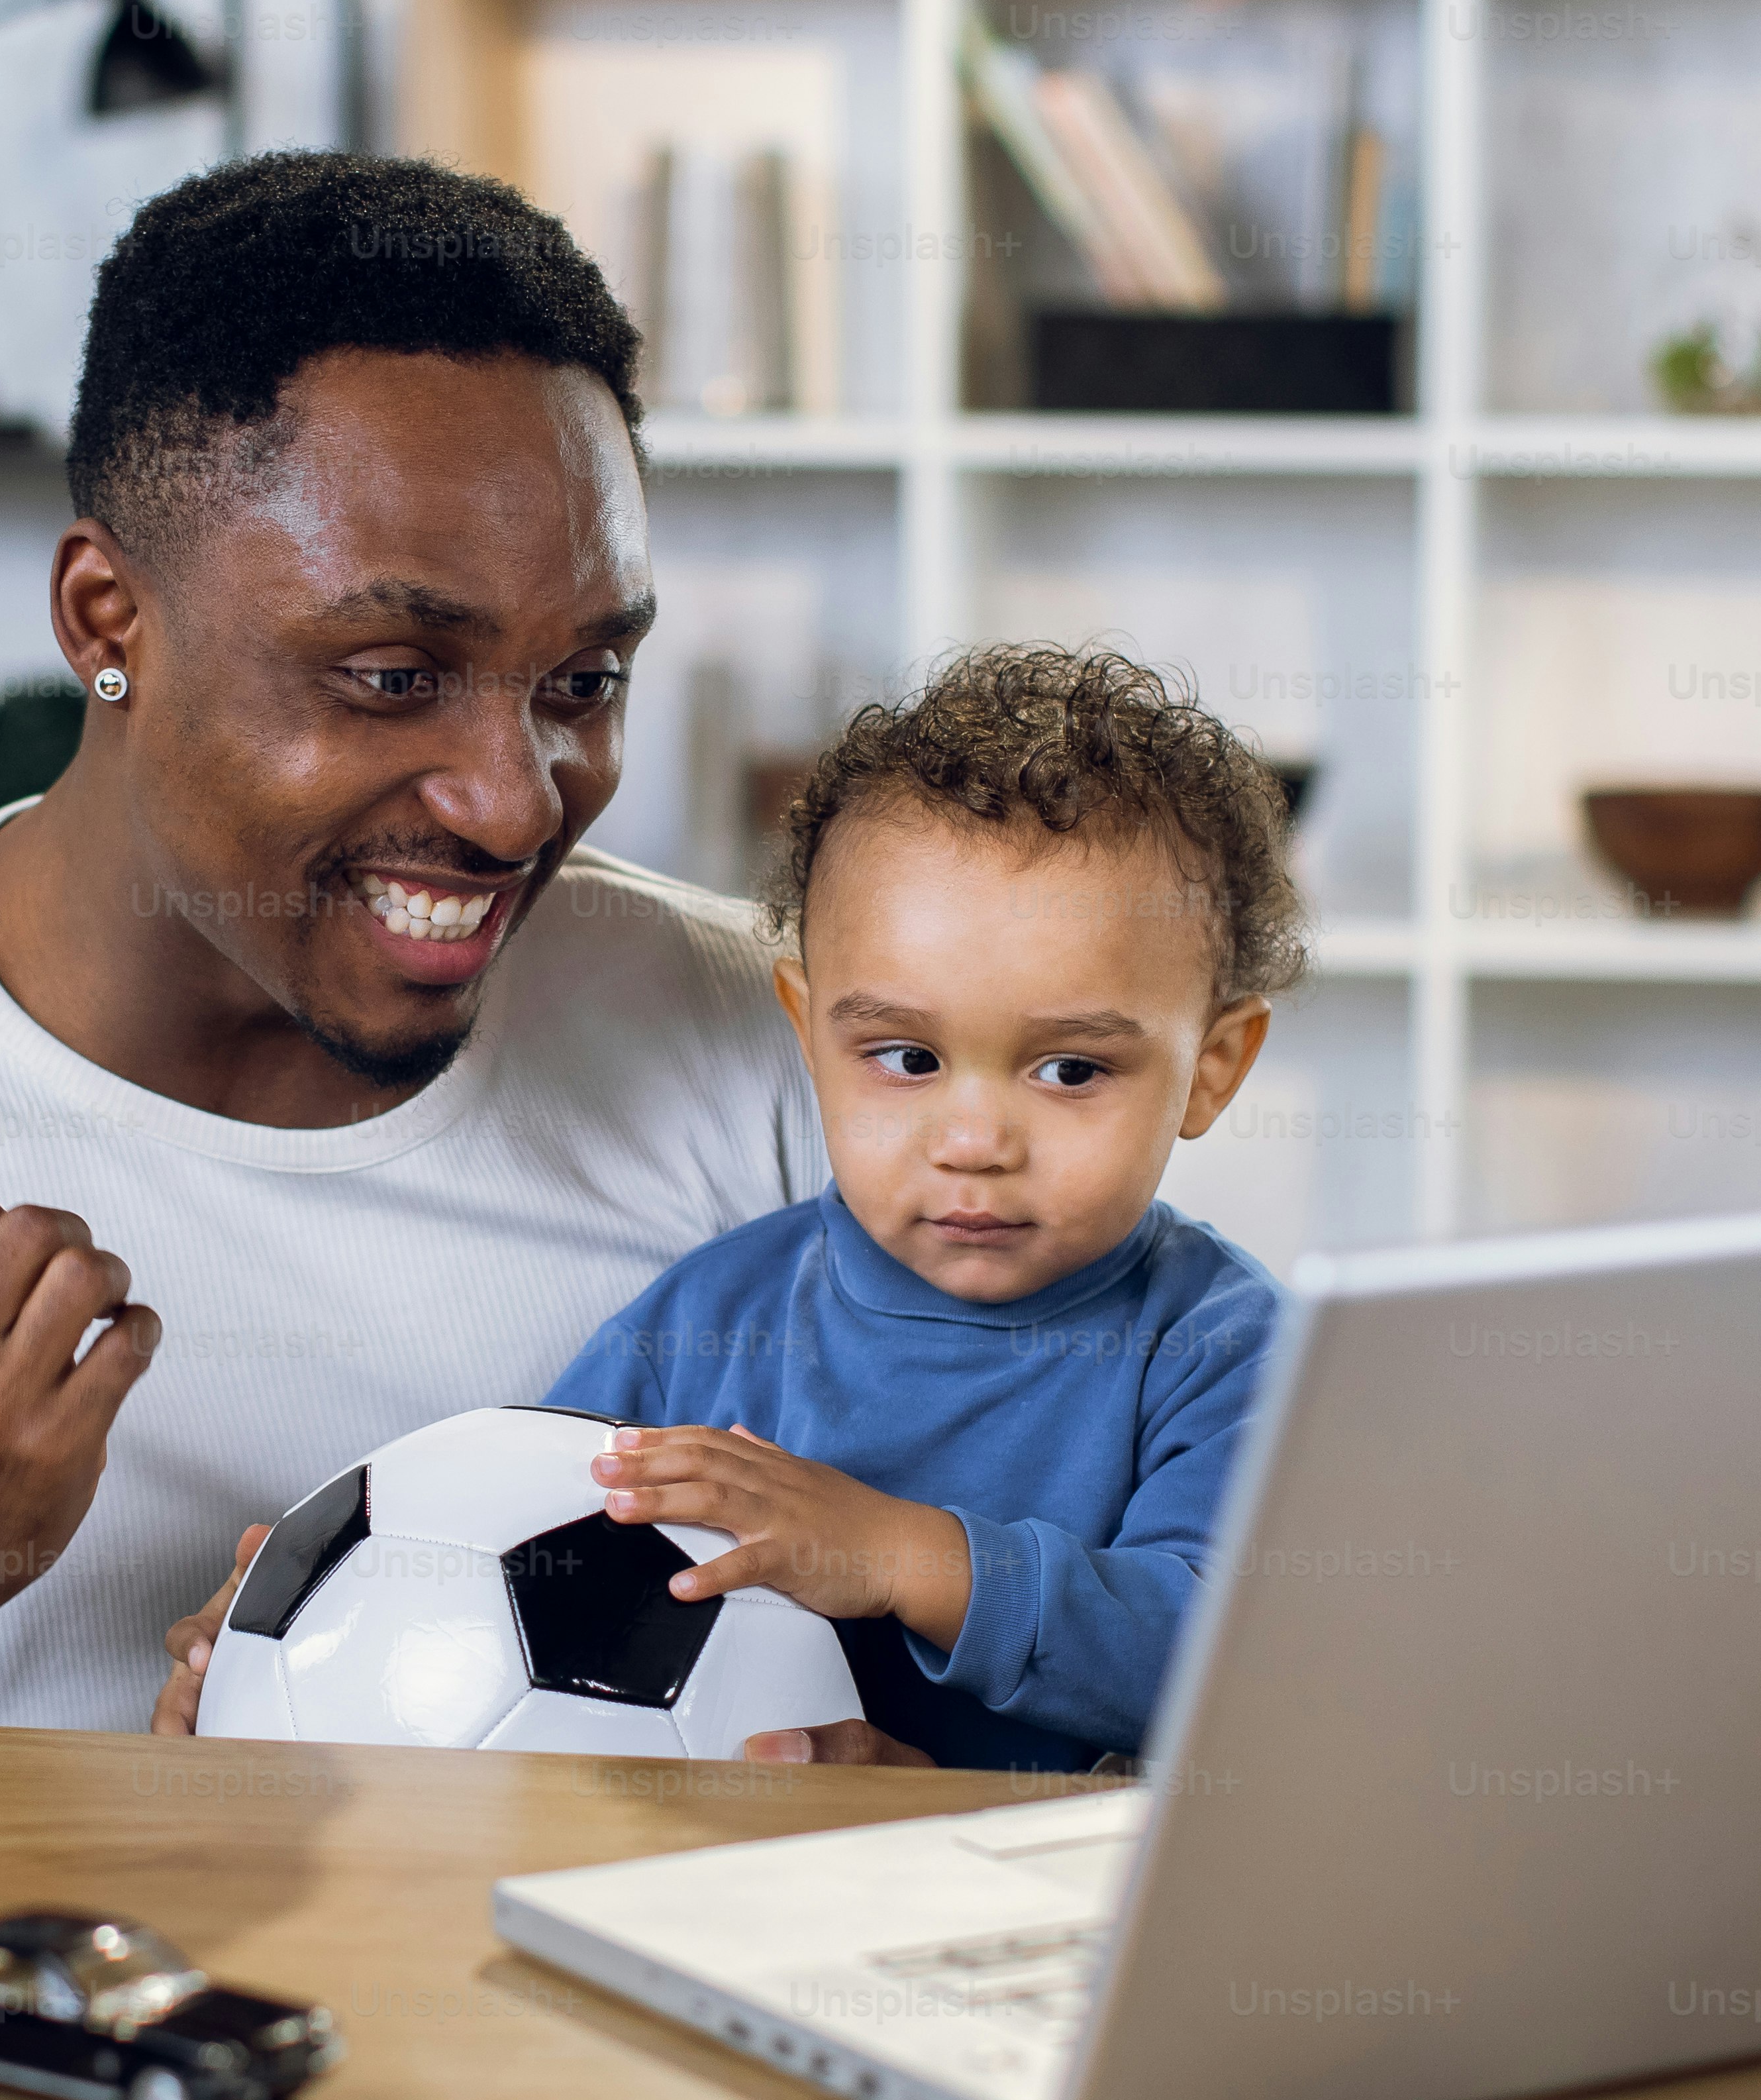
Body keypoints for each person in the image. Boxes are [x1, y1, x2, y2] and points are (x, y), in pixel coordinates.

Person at [0, 152, 905, 1741]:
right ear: (103, 624)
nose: (511, 806)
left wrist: (895, 1769)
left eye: (580, 682)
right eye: (387, 674)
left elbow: (1074, 1689)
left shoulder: (788, 1053)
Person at [543, 645, 1300, 1770]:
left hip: (1046, 1911)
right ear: (807, 1031)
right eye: (905, 1057)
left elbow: (1231, 1665)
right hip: (719, 1882)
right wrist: (324, 1616)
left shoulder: (1222, 1350)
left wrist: (899, 1554)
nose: (974, 1145)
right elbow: (517, 1542)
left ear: (1212, 1069)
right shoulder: (709, 1315)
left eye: (1071, 1072)